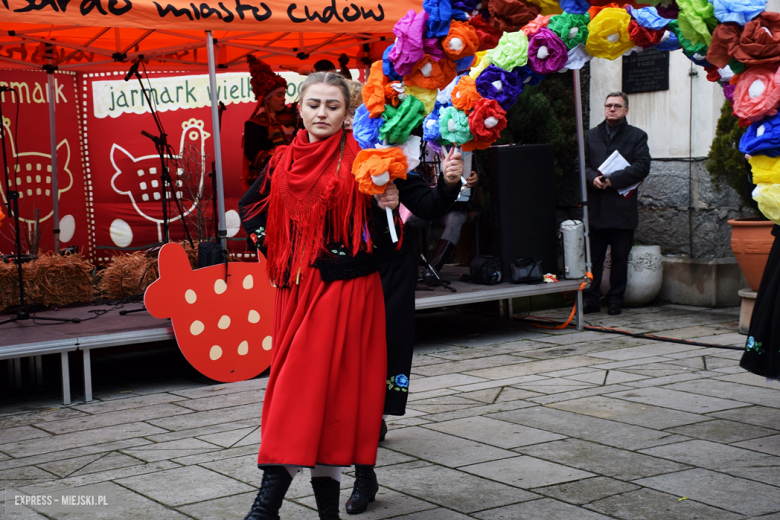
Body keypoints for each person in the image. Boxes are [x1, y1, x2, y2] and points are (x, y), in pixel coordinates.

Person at [238, 72, 397, 520]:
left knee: (306, 393)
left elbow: (389, 238)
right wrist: (278, 250)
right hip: (297, 289)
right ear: (300, 109)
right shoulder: (282, 159)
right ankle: (324, 514)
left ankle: (263, 510)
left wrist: (388, 208)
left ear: (348, 113)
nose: (321, 113)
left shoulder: (365, 159)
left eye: (332, 106)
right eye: (313, 105)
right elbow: (250, 207)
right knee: (313, 395)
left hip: (346, 288)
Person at [345, 143, 464, 514]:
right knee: (347, 372)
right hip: (339, 275)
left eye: (343, 110)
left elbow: (429, 206)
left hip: (390, 269)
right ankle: (361, 445)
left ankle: (365, 471)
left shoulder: (386, 158)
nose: (329, 116)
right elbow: (258, 204)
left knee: (384, 353)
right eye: (317, 106)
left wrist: (447, 182)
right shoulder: (301, 161)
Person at [582, 91, 651, 316]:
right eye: (609, 105)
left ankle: (615, 300)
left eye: (617, 106)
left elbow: (642, 166)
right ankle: (591, 299)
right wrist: (592, 177)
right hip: (597, 207)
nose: (612, 109)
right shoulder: (590, 135)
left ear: (626, 110)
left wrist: (612, 180)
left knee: (621, 257)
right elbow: (580, 164)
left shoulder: (637, 136)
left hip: (622, 209)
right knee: (594, 258)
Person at [242, 56, 299, 192]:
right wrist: (281, 158)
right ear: (267, 99)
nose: (283, 99)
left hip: (294, 176)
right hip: (267, 180)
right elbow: (252, 153)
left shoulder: (293, 118)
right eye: (279, 95)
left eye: (284, 94)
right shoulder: (255, 124)